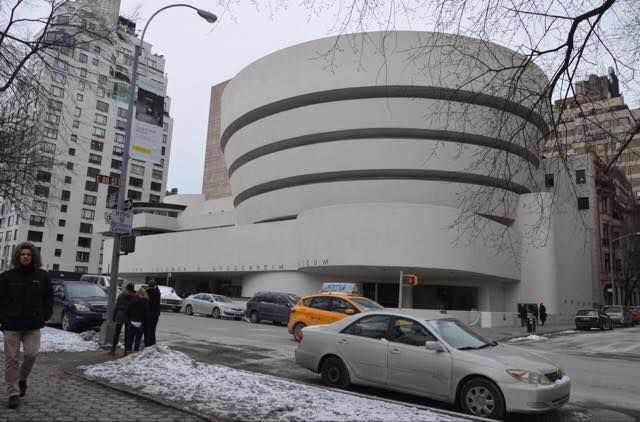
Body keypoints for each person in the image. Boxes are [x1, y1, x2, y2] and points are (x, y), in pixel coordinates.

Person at [0, 242, 53, 409]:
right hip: (11, 324)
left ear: (33, 257)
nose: (25, 257)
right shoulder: (7, 276)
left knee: (31, 354)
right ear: (18, 256)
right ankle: (13, 393)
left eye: (28, 254)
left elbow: (48, 298)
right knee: (12, 360)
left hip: (33, 324)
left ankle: (22, 379)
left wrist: (45, 315)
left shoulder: (42, 276)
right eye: (22, 254)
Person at [108, 283, 136, 355]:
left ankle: (113, 350)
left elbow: (116, 306)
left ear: (126, 288)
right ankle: (125, 351)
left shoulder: (121, 296)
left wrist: (114, 317)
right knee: (127, 334)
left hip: (120, 314)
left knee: (117, 332)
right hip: (129, 316)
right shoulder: (134, 297)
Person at [124, 288, 149, 354]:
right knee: (138, 338)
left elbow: (128, 311)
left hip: (132, 321)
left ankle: (129, 350)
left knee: (130, 337)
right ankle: (136, 350)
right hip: (141, 322)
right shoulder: (145, 302)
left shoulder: (132, 300)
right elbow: (146, 313)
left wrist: (129, 319)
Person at [144, 280, 161, 347]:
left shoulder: (149, 292)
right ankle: (152, 344)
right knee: (152, 331)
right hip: (156, 314)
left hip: (149, 314)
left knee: (147, 330)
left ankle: (148, 345)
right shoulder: (158, 292)